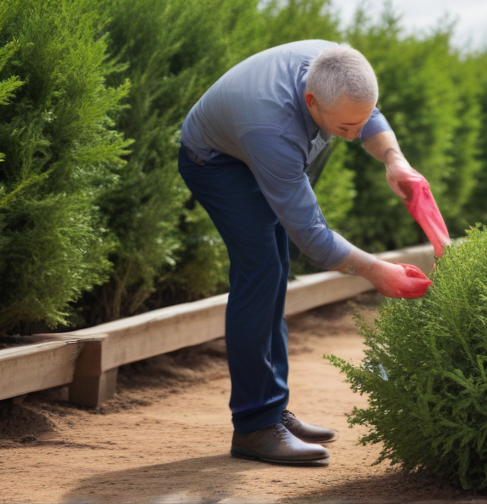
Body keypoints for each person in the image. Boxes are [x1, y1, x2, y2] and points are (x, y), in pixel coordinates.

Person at [177, 40, 451, 466]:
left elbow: (367, 114)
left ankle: (273, 411)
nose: (355, 133)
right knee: (261, 272)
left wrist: (394, 160)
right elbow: (314, 237)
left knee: (277, 270)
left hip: (257, 140)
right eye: (344, 128)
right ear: (311, 101)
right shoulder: (273, 132)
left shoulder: (337, 66)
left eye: (357, 124)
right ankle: (253, 426)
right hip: (216, 162)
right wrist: (376, 271)